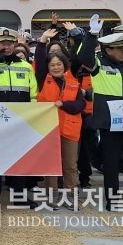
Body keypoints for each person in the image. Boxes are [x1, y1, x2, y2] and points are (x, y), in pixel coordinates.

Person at [77, 15, 123, 212]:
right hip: (110, 123)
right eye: (119, 48)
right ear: (108, 50)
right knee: (111, 164)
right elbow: (83, 57)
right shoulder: (99, 65)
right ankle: (113, 199)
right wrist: (91, 35)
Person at [0, 26, 38, 207]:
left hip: (20, 122)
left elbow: (33, 94)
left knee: (20, 159)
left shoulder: (26, 66)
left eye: (10, 43)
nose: (6, 46)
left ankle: (19, 196)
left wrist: (31, 117)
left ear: (14, 44)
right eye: (2, 43)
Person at [34, 28, 84, 209]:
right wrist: (42, 42)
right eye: (52, 65)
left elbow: (80, 105)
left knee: (70, 166)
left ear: (65, 65)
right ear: (48, 68)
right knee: (51, 165)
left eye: (59, 64)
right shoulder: (42, 80)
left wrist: (64, 104)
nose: (56, 67)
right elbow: (39, 61)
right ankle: (52, 196)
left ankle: (70, 196)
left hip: (70, 130)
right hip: (49, 130)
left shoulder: (73, 84)